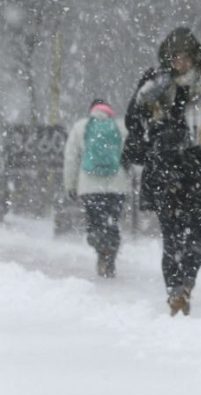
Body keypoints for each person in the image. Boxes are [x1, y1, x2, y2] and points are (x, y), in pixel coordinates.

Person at [123, 27, 201, 316]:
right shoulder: (153, 82)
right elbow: (133, 121)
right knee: (170, 234)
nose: (180, 62)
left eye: (185, 57)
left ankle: (187, 282)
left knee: (195, 232)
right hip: (164, 169)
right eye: (174, 57)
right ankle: (174, 289)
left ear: (195, 58)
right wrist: (146, 99)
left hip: (197, 170)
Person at [62, 99, 132, 278]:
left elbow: (71, 158)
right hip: (117, 186)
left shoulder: (80, 127)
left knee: (95, 223)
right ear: (109, 111)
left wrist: (70, 185)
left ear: (91, 110)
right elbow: (131, 156)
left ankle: (101, 252)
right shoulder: (120, 127)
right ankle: (110, 257)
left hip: (89, 186)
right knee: (112, 222)